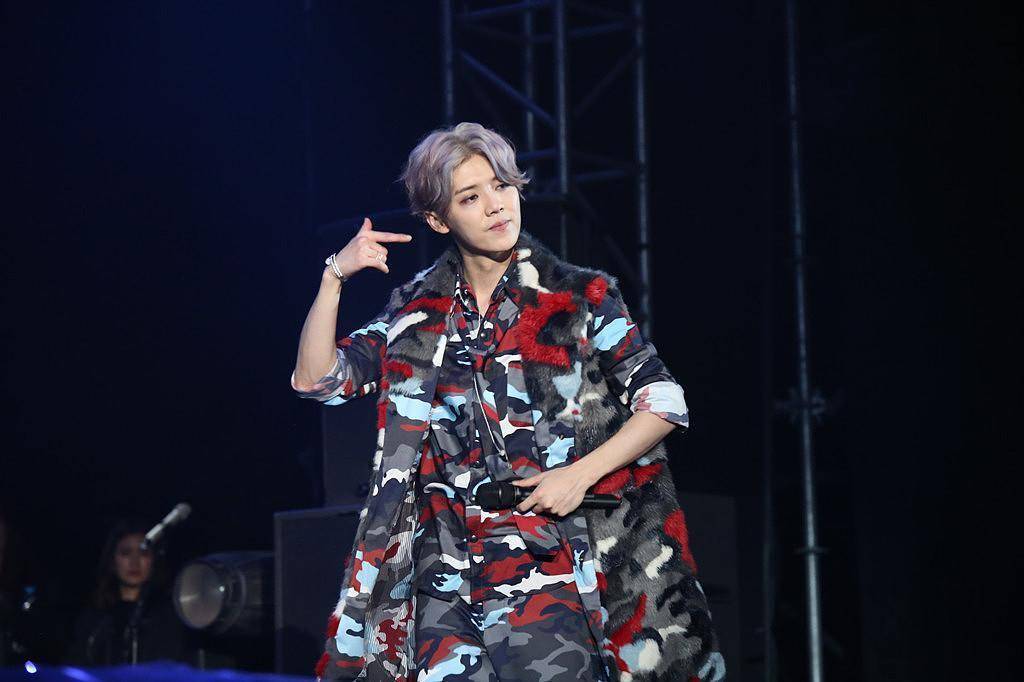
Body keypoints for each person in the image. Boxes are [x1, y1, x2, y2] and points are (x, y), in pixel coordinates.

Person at [293, 122, 724, 681]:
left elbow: (664, 400)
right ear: (438, 220)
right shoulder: (416, 314)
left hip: (547, 564)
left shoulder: (577, 297)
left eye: (501, 186)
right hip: (442, 577)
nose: (497, 206)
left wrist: (578, 476)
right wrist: (335, 276)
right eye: (471, 197)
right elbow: (318, 381)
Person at [65, 519, 190, 666]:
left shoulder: (168, 615)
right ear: (112, 561)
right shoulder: (95, 618)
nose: (134, 562)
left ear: (154, 560)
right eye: (126, 553)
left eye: (143, 553)